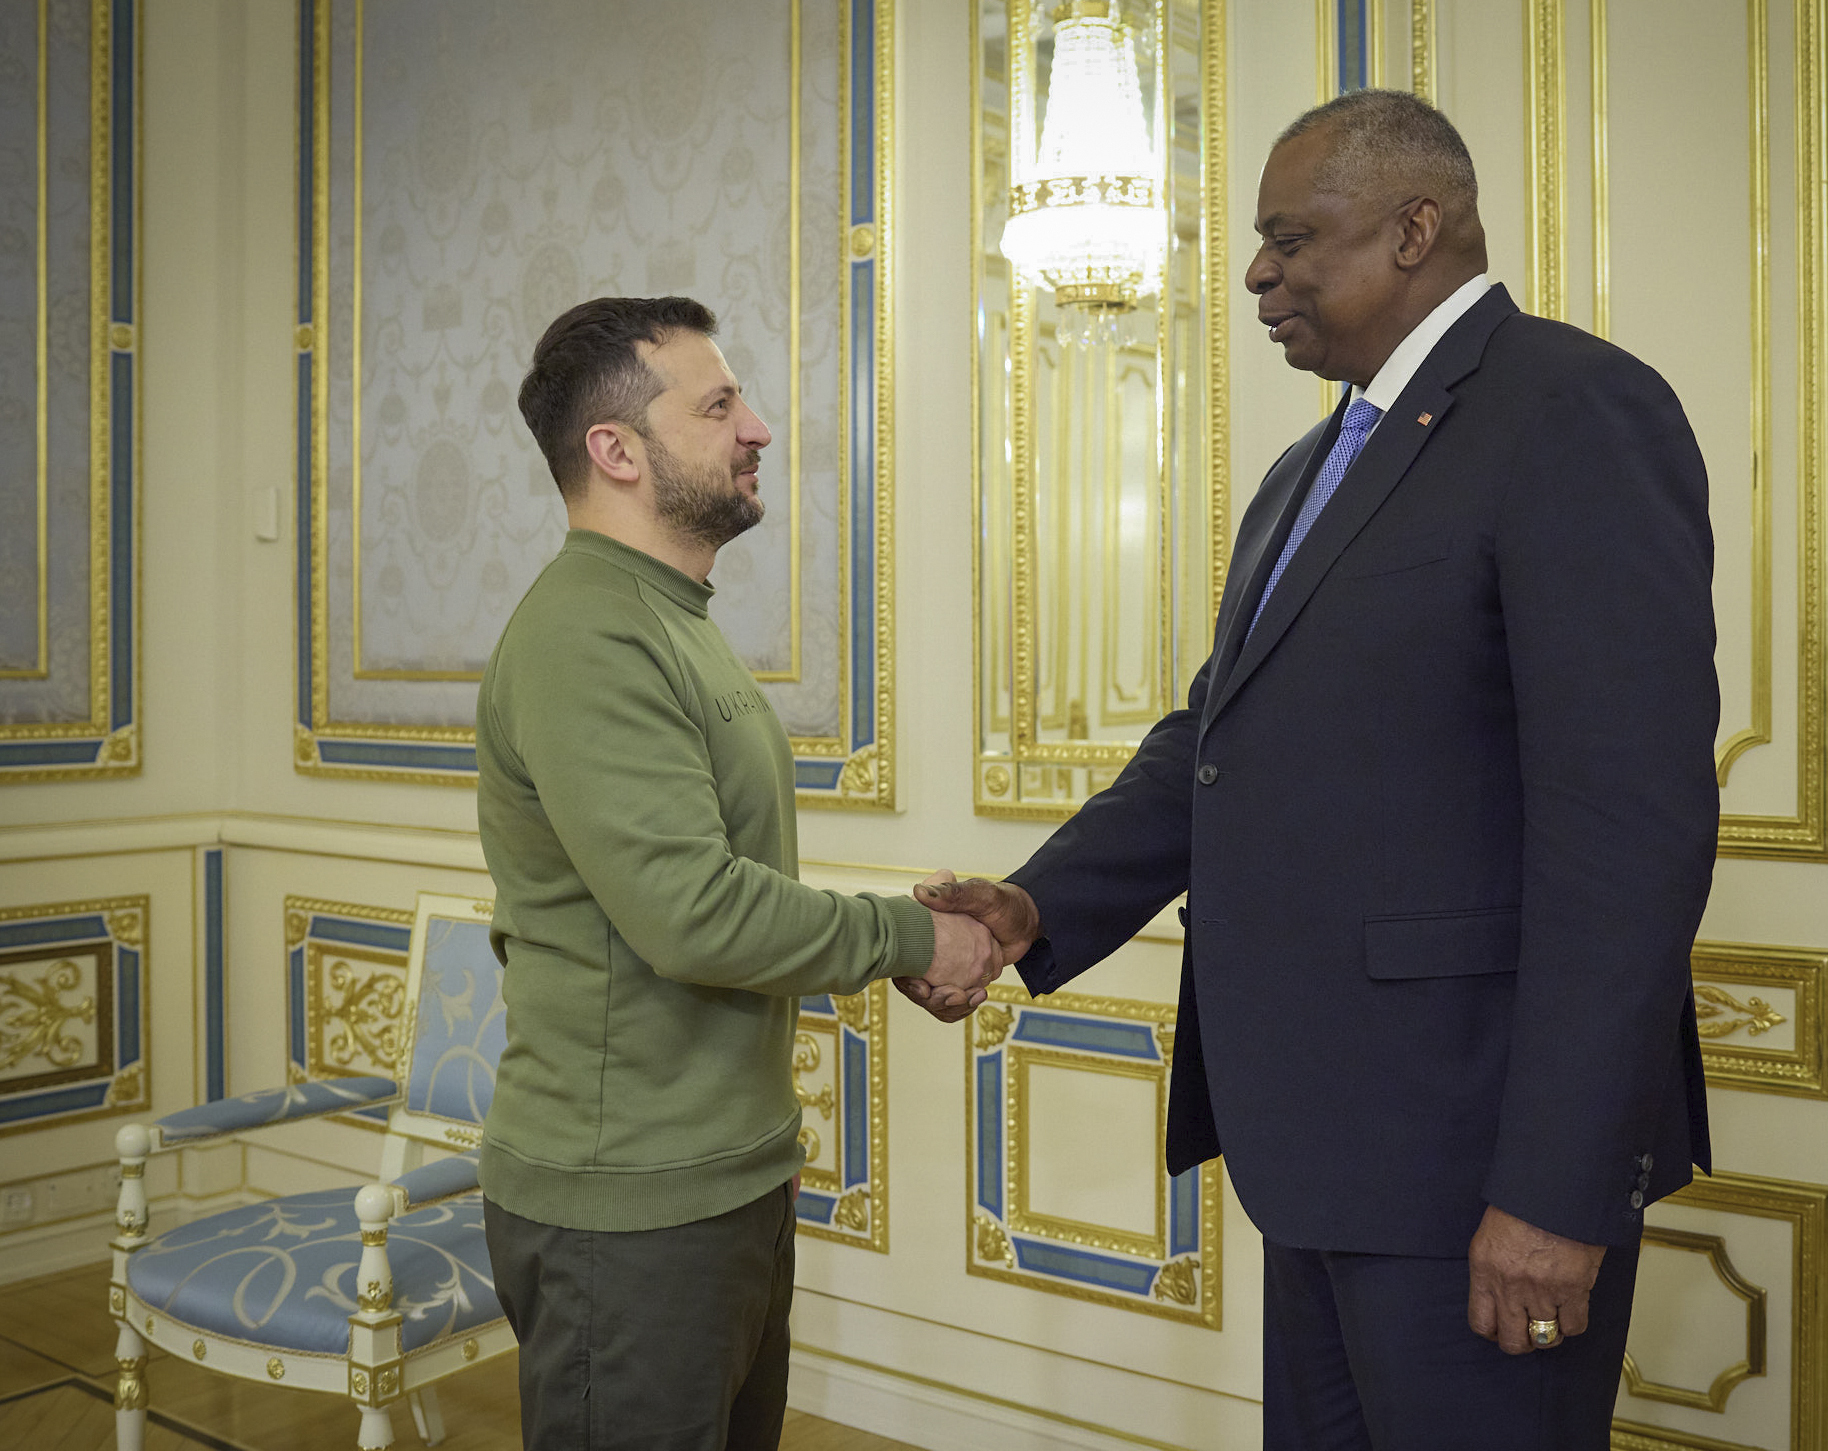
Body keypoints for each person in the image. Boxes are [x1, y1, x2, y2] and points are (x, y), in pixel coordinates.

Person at [911, 91, 1718, 1450]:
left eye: (1295, 239)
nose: (1256, 274)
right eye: (1260, 242)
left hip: (1476, 1164)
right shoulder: (1308, 467)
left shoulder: (1573, 410)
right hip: (1324, 1147)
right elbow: (1215, 741)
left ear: (1418, 227)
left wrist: (1557, 1190)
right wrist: (1030, 905)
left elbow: (1629, 833)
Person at [475, 296, 1001, 1451]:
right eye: (717, 404)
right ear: (615, 450)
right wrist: (918, 938)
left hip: (721, 1179)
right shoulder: (587, 632)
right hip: (628, 1204)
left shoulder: (673, 618)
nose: (757, 425)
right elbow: (693, 913)